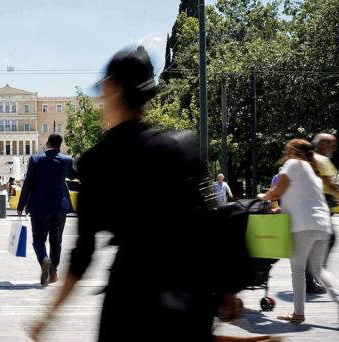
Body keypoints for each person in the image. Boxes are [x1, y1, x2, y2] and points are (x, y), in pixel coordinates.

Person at [30, 47, 219, 341]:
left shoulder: (98, 162)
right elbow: (209, 227)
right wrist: (227, 292)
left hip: (131, 302)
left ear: (111, 88)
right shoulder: (183, 149)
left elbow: (84, 253)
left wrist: (50, 315)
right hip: (187, 300)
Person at [259, 139, 339, 323]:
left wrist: (263, 196)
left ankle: (299, 314)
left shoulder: (293, 163)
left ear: (294, 151)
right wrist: (282, 209)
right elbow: (300, 199)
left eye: (287, 150)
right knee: (318, 270)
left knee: (298, 270)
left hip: (303, 227)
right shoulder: (312, 171)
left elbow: (276, 192)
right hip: (322, 225)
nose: (285, 154)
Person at [17, 133, 76, 286]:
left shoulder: (36, 159)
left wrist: (20, 205)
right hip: (59, 206)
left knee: (38, 239)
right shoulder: (67, 160)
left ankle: (44, 259)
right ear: (60, 145)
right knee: (56, 241)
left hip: (39, 206)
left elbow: (28, 183)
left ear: (47, 143)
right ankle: (54, 272)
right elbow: (74, 174)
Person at [306, 133, 339, 293]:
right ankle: (318, 275)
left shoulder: (308, 159)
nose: (333, 149)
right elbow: (330, 185)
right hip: (322, 204)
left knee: (313, 243)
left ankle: (310, 279)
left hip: (310, 205)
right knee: (328, 238)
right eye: (331, 145)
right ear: (322, 145)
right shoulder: (322, 160)